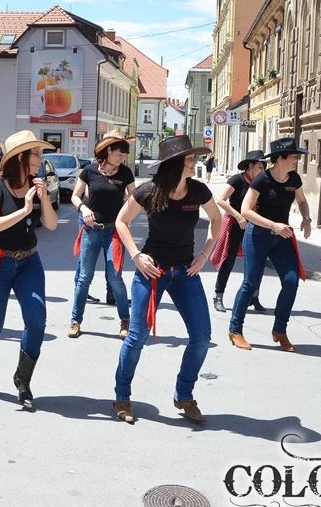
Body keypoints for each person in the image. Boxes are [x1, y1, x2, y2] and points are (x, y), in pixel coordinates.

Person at [112, 135, 221, 424]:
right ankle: (122, 396)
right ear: (175, 164)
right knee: (137, 337)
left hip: (186, 272)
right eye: (190, 159)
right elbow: (121, 221)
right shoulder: (150, 191)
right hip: (153, 271)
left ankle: (184, 394)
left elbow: (217, 219)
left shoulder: (198, 190)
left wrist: (205, 254)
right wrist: (136, 255)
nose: (195, 163)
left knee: (202, 338)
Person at [0, 130, 58, 410]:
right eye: (36, 154)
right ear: (20, 157)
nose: (40, 159)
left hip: (28, 262)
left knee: (37, 321)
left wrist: (44, 199)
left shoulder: (37, 184)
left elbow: (52, 224)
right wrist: (25, 209)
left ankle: (23, 380)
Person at [227, 137, 312, 352]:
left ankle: (280, 330)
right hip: (258, 235)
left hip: (281, 238)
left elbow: (302, 201)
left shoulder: (294, 179)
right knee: (250, 284)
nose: (297, 160)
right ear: (281, 158)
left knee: (291, 281)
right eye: (294, 157)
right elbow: (246, 210)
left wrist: (306, 218)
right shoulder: (262, 179)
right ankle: (235, 330)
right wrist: (273, 225)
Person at [69, 129, 136, 339]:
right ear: (107, 151)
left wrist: (126, 210)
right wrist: (83, 209)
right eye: (119, 153)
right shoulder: (89, 171)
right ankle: (75, 320)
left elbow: (135, 197)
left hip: (114, 231)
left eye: (125, 154)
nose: (122, 157)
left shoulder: (125, 173)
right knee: (84, 277)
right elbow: (75, 196)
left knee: (115, 277)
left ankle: (125, 320)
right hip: (91, 229)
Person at [210, 150, 269, 314]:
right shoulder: (237, 179)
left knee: (256, 262)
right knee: (228, 261)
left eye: (264, 168)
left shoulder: (261, 182)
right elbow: (221, 200)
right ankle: (218, 296)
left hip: (253, 225)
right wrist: (238, 216)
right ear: (250, 166)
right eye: (260, 167)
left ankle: (254, 296)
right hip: (234, 224)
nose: (262, 171)